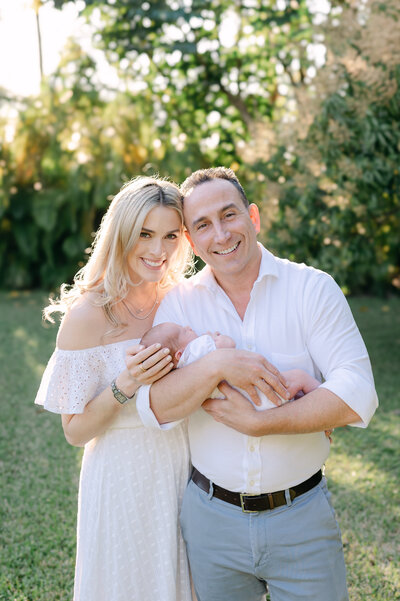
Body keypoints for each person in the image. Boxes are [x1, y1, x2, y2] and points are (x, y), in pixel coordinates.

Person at [136, 167, 379, 601]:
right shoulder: (178, 305)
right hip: (211, 522)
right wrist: (219, 365)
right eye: (203, 225)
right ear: (190, 241)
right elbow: (155, 404)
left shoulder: (312, 289)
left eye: (229, 215)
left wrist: (263, 422)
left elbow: (358, 392)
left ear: (254, 217)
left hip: (301, 517)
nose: (221, 234)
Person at [34, 176, 195, 601]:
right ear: (121, 234)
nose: (158, 251)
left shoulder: (181, 299)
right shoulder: (88, 315)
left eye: (169, 236)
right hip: (122, 472)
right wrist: (126, 384)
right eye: (145, 234)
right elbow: (74, 431)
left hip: (184, 462)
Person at [140, 323, 321, 404]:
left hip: (243, 398)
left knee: (293, 397)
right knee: (299, 378)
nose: (187, 327)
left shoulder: (182, 370)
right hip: (256, 388)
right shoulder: (196, 348)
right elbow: (229, 345)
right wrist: (216, 338)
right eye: (182, 331)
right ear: (179, 353)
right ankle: (323, 401)